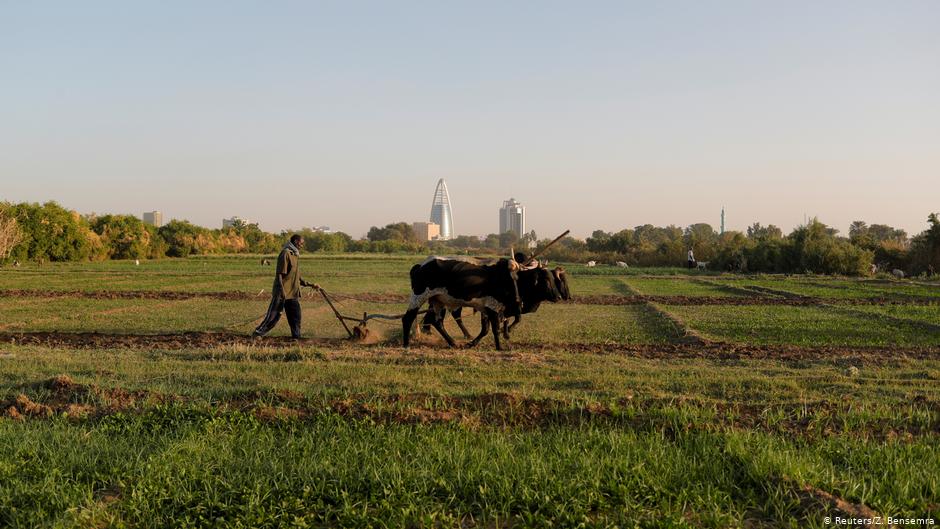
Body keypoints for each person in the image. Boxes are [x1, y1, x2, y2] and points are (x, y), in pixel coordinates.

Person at [253, 234, 318, 339]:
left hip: (292, 292)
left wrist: (309, 284)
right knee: (274, 316)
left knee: (296, 315)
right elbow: (279, 274)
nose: (302, 245)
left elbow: (296, 276)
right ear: (296, 241)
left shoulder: (295, 254)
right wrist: (282, 291)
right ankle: (258, 333)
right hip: (282, 292)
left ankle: (296, 337)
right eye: (301, 243)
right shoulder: (285, 253)